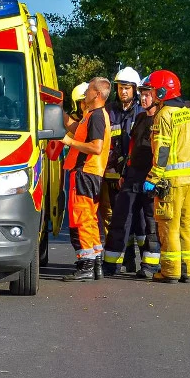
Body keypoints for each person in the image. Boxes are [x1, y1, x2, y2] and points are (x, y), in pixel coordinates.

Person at [143, 70, 190, 283]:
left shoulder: (164, 114)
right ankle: (187, 270)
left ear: (163, 91)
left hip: (170, 182)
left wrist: (153, 178)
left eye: (155, 90)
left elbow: (162, 150)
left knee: (168, 227)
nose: (153, 94)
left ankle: (170, 271)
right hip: (188, 180)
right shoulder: (186, 112)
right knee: (186, 227)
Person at [102, 81, 161, 277]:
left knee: (149, 223)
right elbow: (131, 148)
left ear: (157, 97)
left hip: (152, 177)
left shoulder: (162, 120)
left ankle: (150, 265)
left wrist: (156, 177)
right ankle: (111, 264)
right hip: (133, 174)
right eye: (142, 94)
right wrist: (124, 173)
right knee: (121, 217)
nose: (143, 98)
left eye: (148, 95)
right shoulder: (141, 118)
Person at [61, 77, 112, 281]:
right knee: (89, 220)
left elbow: (96, 147)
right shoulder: (92, 115)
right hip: (90, 173)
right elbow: (76, 128)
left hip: (86, 172)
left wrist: (68, 142)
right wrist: (57, 111)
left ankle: (86, 266)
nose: (86, 93)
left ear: (97, 95)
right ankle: (95, 263)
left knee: (81, 219)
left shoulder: (97, 116)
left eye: (89, 90)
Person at [101, 68, 143, 248]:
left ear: (135, 89)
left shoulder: (142, 111)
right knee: (117, 217)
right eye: (120, 88)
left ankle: (144, 258)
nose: (123, 92)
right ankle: (124, 257)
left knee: (139, 219)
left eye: (127, 88)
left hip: (136, 173)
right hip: (114, 175)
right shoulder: (109, 110)